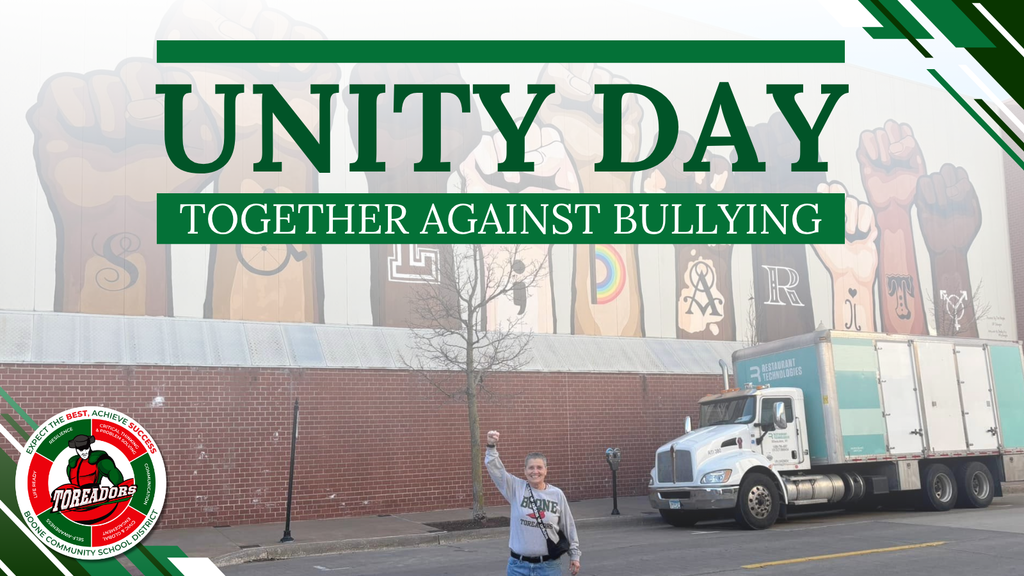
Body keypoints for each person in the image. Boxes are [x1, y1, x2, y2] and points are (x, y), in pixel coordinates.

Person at [486, 430, 581, 576]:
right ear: (524, 471)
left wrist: (574, 555)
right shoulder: (516, 488)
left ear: (546, 471)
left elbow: (568, 526)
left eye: (539, 467)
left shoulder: (556, 494)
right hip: (518, 567)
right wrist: (491, 447)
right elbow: (496, 470)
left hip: (548, 567)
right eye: (531, 467)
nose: (535, 471)